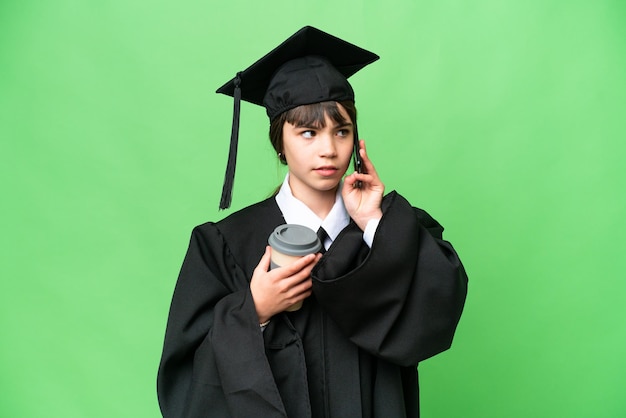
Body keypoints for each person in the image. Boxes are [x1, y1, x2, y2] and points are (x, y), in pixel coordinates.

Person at [157, 26, 468, 418]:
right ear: (279, 142)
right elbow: (184, 377)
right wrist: (254, 310)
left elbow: (438, 307)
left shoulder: (385, 228)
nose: (329, 149)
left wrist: (373, 222)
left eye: (342, 131)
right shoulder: (226, 244)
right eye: (308, 132)